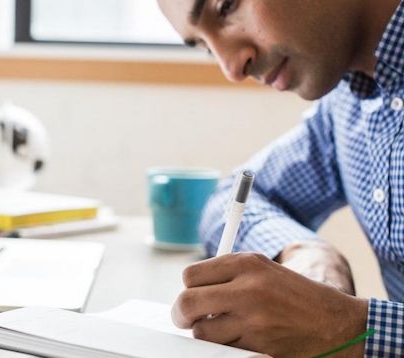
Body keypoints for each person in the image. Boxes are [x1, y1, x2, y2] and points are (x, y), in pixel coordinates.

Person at [157, 0, 404, 356]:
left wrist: (347, 328)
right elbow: (231, 198)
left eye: (226, 7)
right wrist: (309, 254)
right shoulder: (347, 105)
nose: (231, 68)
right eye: (204, 46)